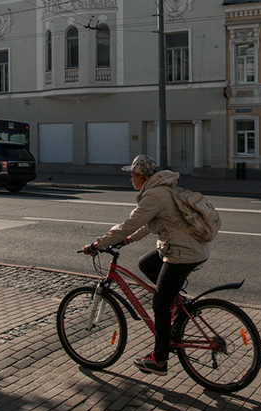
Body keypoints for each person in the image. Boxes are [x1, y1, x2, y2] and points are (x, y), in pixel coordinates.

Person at [82, 154, 209, 376]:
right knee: (146, 263)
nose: (130, 180)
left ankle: (159, 359)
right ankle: (176, 302)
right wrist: (128, 240)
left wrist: (98, 244)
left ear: (141, 176)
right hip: (189, 249)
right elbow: (151, 224)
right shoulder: (163, 190)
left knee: (159, 305)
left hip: (183, 253)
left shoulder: (154, 195)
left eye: (132, 176)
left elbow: (129, 224)